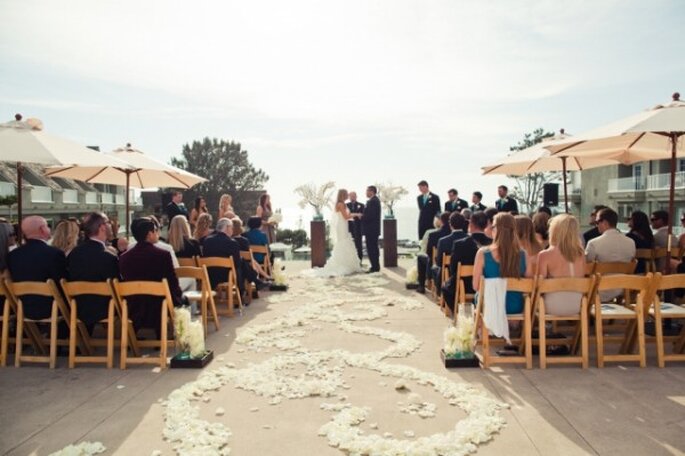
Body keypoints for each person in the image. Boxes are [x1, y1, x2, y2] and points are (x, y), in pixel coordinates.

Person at [119, 217, 183, 336]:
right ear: (149, 234)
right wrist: (179, 298)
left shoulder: (124, 257)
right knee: (183, 301)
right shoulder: (163, 255)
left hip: (134, 307)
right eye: (155, 231)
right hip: (159, 306)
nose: (157, 233)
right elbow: (173, 283)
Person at [8, 216, 68, 322]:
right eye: (47, 226)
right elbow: (62, 283)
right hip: (52, 309)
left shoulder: (13, 255)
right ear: (42, 229)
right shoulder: (54, 254)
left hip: (22, 308)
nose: (49, 229)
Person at [67, 212, 119, 332]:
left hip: (78, 308)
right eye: (108, 222)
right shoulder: (108, 257)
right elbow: (117, 287)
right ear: (102, 227)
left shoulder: (74, 253)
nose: (111, 225)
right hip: (105, 309)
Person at [473, 212, 530, 315]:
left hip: (490, 306)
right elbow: (529, 284)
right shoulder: (523, 254)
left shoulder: (483, 253)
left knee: (478, 294)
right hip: (515, 306)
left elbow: (476, 285)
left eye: (493, 226)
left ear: (496, 230)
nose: (491, 229)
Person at [304, 189, 363, 277]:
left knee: (345, 242)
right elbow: (346, 216)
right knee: (343, 242)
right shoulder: (341, 204)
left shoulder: (341, 204)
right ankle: (343, 264)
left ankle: (346, 263)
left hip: (343, 224)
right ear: (343, 195)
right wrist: (357, 214)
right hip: (342, 225)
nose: (348, 195)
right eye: (347, 194)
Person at [537, 214, 587, 316]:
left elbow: (539, 286)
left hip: (551, 307)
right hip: (577, 306)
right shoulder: (580, 254)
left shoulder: (545, 255)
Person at [441, 211, 492, 311]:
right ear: (486, 225)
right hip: (488, 285)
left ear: (471, 225)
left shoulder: (459, 244)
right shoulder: (493, 243)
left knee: (445, 287)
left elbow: (453, 268)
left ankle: (457, 312)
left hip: (464, 284)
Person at [585, 207, 636, 301]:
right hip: (623, 287)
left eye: (597, 222)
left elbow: (587, 267)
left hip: (600, 288)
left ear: (605, 222)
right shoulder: (631, 242)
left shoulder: (593, 243)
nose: (596, 225)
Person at [202, 218, 245, 295]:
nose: (232, 230)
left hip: (209, 274)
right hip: (226, 276)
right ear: (227, 227)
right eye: (232, 228)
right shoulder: (232, 243)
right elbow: (237, 264)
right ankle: (241, 293)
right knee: (241, 264)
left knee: (242, 262)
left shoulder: (207, 241)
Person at [432, 212, 469, 292]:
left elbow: (439, 262)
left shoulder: (443, 241)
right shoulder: (470, 239)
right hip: (467, 277)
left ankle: (439, 292)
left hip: (448, 275)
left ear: (450, 224)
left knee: (435, 268)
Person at [416, 211, 451, 294]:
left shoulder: (433, 235)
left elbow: (428, 252)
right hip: (451, 265)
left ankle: (421, 285)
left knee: (420, 257)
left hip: (436, 263)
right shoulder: (454, 234)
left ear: (441, 221)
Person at [362, 185, 382, 273]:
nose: (366, 193)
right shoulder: (374, 200)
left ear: (371, 192)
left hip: (371, 230)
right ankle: (375, 266)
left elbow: (370, 216)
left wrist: (361, 216)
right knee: (373, 248)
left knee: (372, 248)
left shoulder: (373, 201)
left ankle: (375, 267)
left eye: (367, 191)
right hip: (372, 230)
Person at [346, 191, 365, 262]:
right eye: (351, 196)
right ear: (349, 197)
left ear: (356, 197)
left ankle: (359, 261)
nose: (352, 197)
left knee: (359, 246)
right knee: (349, 245)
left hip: (358, 228)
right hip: (348, 228)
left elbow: (364, 215)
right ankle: (350, 261)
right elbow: (345, 216)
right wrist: (356, 214)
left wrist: (361, 217)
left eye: (353, 196)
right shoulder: (346, 205)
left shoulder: (362, 205)